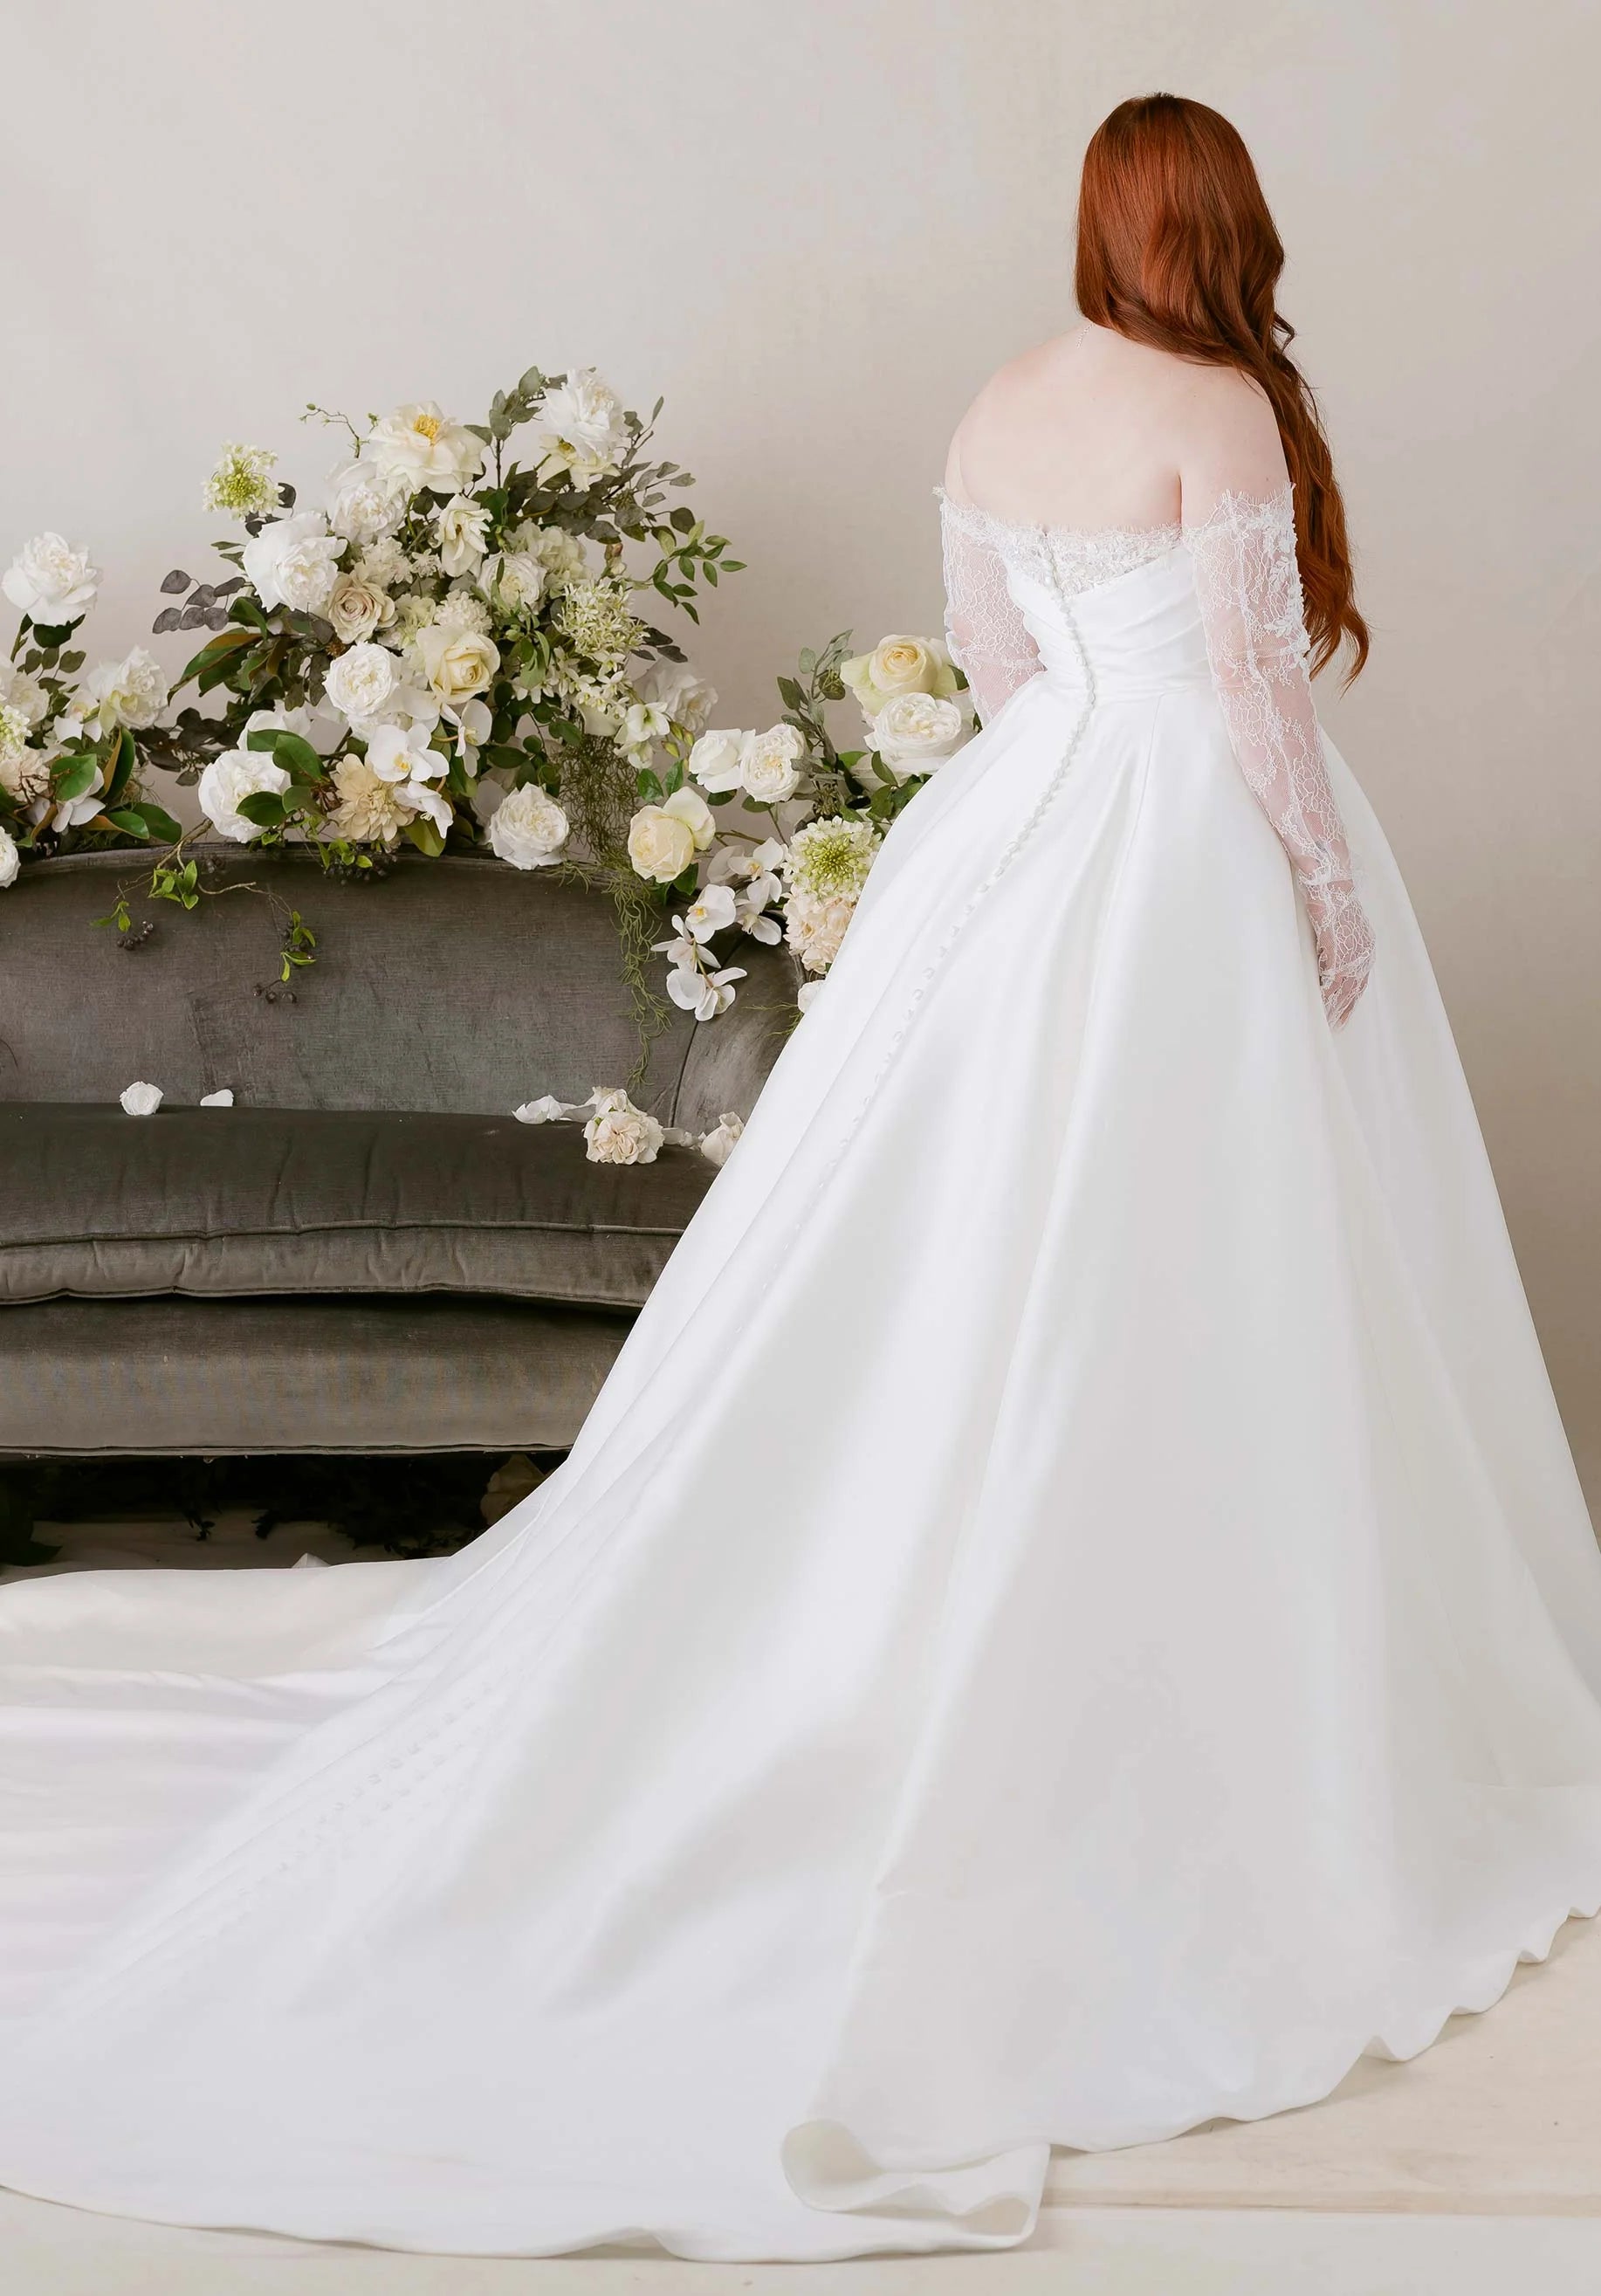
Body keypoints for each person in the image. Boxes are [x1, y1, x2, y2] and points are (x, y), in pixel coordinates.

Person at [2, 93, 1599, 2265]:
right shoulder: (1218, 403)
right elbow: (1249, 712)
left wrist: (1057, 814)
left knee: (963, 1267)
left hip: (1012, 845)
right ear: (1217, 226)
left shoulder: (1007, 399)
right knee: (1203, 1272)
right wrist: (1324, 917)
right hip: (1173, 859)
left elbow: (1005, 668)